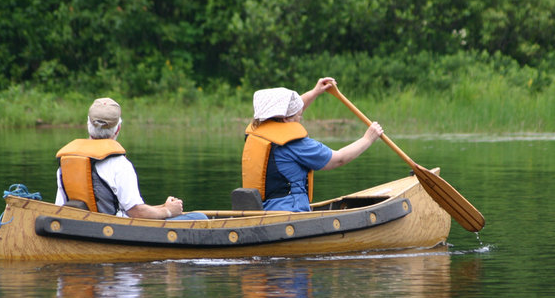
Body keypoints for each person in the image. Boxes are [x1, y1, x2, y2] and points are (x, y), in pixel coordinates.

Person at [242, 78, 384, 212]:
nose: (301, 117)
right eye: (299, 116)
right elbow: (339, 159)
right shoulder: (296, 145)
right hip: (290, 213)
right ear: (285, 118)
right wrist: (368, 138)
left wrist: (315, 92)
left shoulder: (256, 132)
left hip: (263, 210)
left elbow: (291, 111)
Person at [55, 97, 206, 220]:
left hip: (80, 228)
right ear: (118, 128)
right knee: (200, 218)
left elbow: (59, 208)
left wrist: (164, 207)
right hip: (115, 232)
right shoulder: (120, 165)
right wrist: (168, 212)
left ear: (88, 124)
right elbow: (136, 212)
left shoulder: (66, 163)